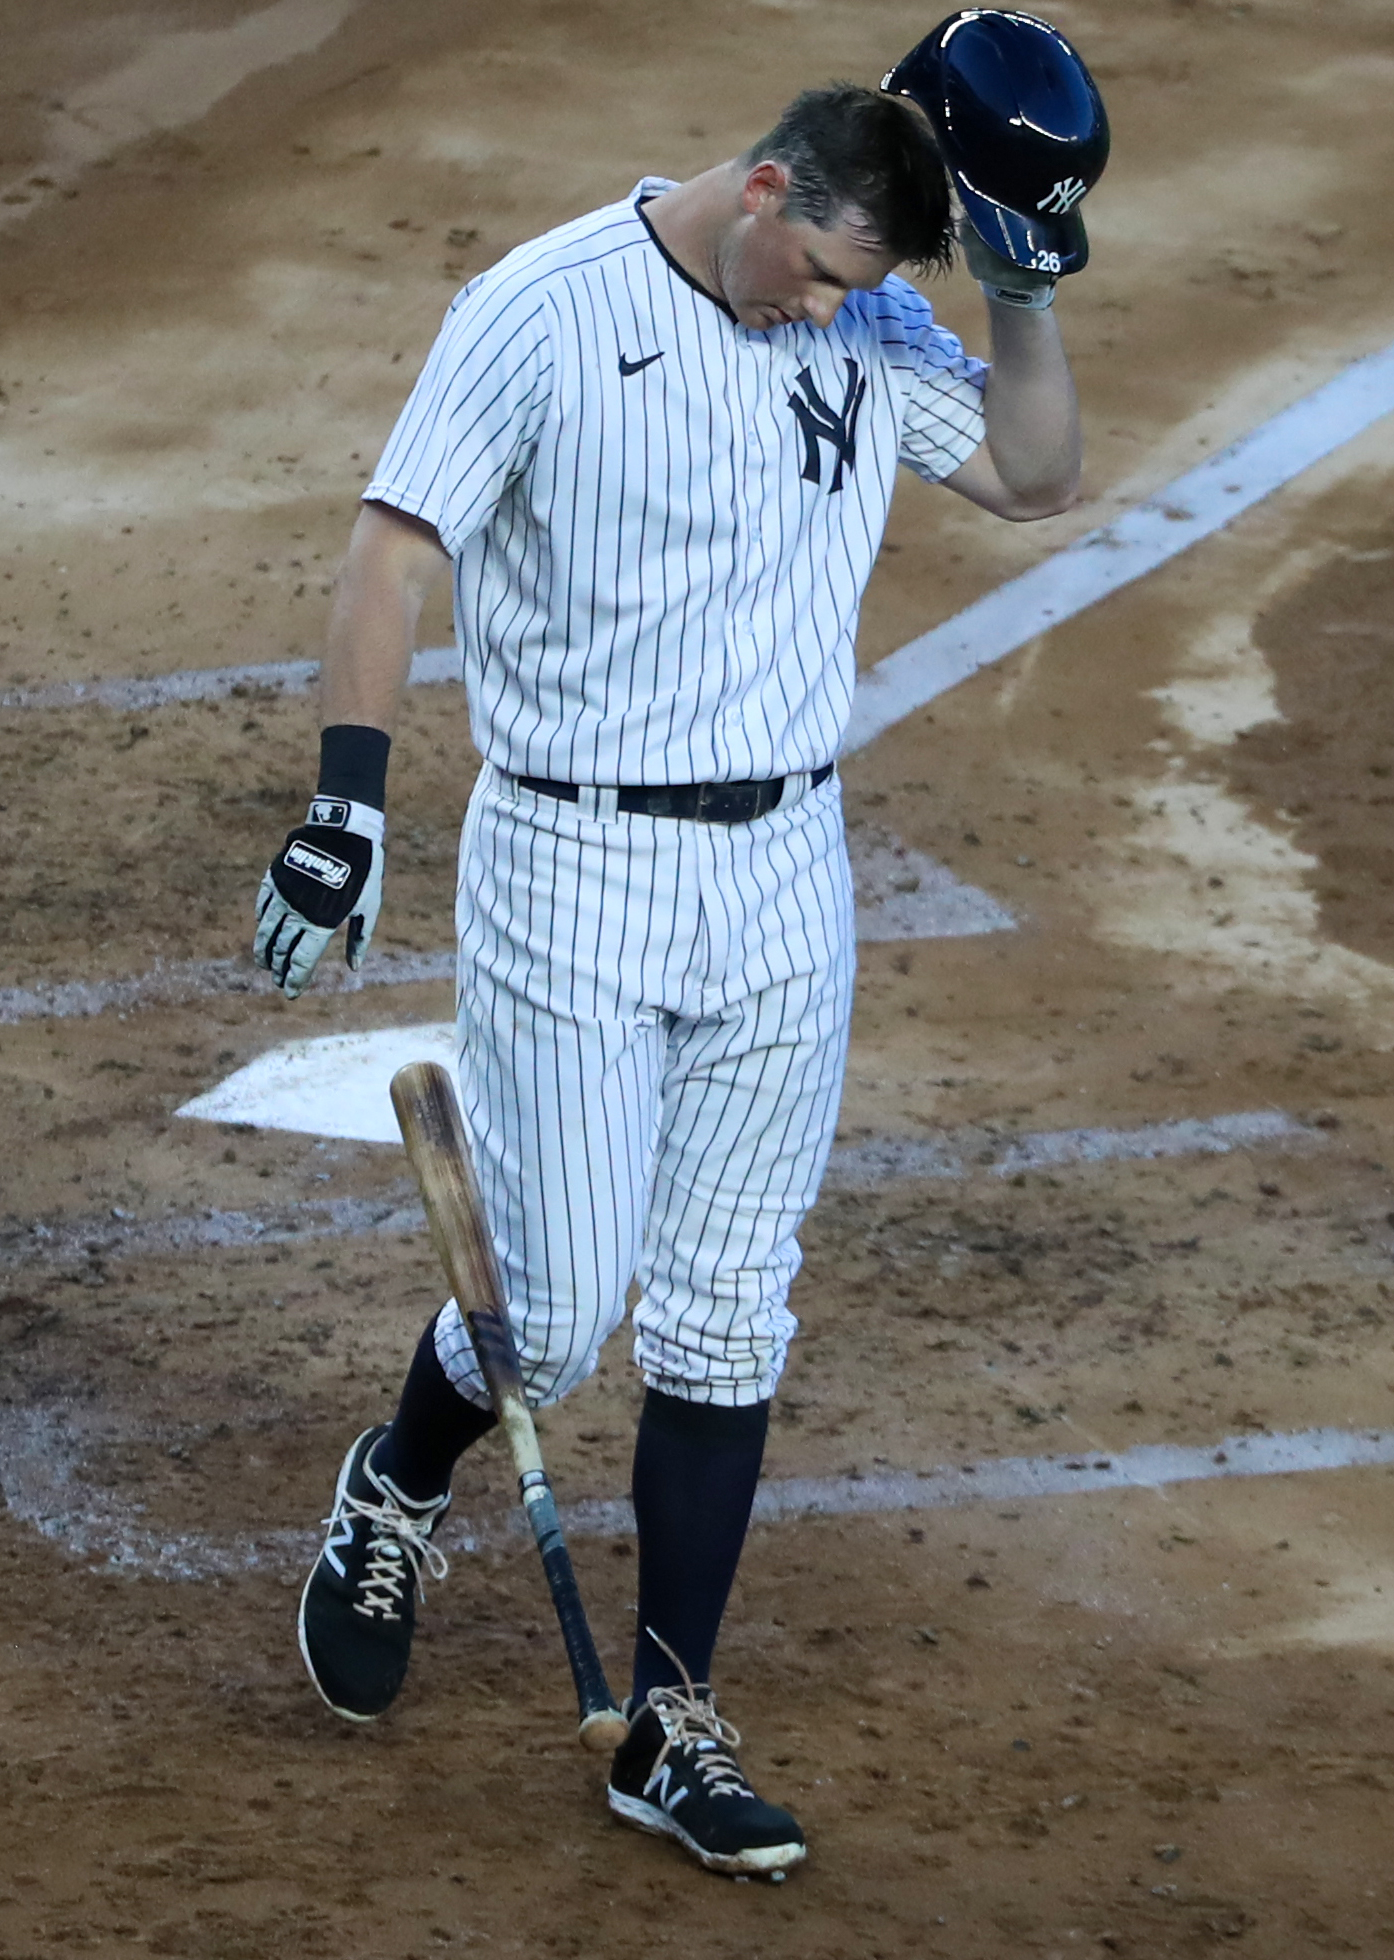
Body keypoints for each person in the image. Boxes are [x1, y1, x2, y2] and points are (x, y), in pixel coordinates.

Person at [253, 74, 1084, 1878]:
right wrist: (347, 805)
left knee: (725, 1312)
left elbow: (1032, 475)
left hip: (784, 872)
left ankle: (673, 1725)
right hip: (578, 864)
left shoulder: (864, 308)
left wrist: (1018, 289)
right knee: (545, 1316)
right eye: (811, 278)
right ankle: (396, 1482)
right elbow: (398, 545)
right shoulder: (545, 311)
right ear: (763, 187)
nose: (821, 316)